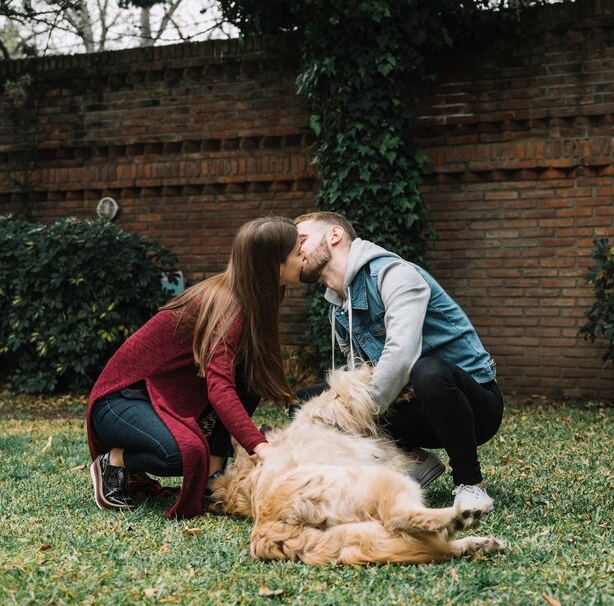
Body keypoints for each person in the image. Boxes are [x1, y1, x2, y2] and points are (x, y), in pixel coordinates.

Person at [87, 216, 303, 518]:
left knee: (250, 376)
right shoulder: (228, 305)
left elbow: (243, 382)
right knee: (186, 454)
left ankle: (211, 476)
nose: (303, 257)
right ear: (274, 263)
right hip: (119, 403)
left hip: (159, 398)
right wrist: (262, 448)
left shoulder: (257, 296)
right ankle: (114, 462)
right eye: (298, 251)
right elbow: (219, 388)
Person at [293, 211, 503, 512]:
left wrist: (349, 412)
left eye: (302, 240)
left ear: (334, 235)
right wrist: (336, 407)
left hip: (472, 405)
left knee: (427, 370)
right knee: (305, 400)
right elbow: (359, 375)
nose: (296, 251)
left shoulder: (393, 274)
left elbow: (402, 354)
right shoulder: (338, 310)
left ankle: (470, 484)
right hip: (410, 407)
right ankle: (414, 461)